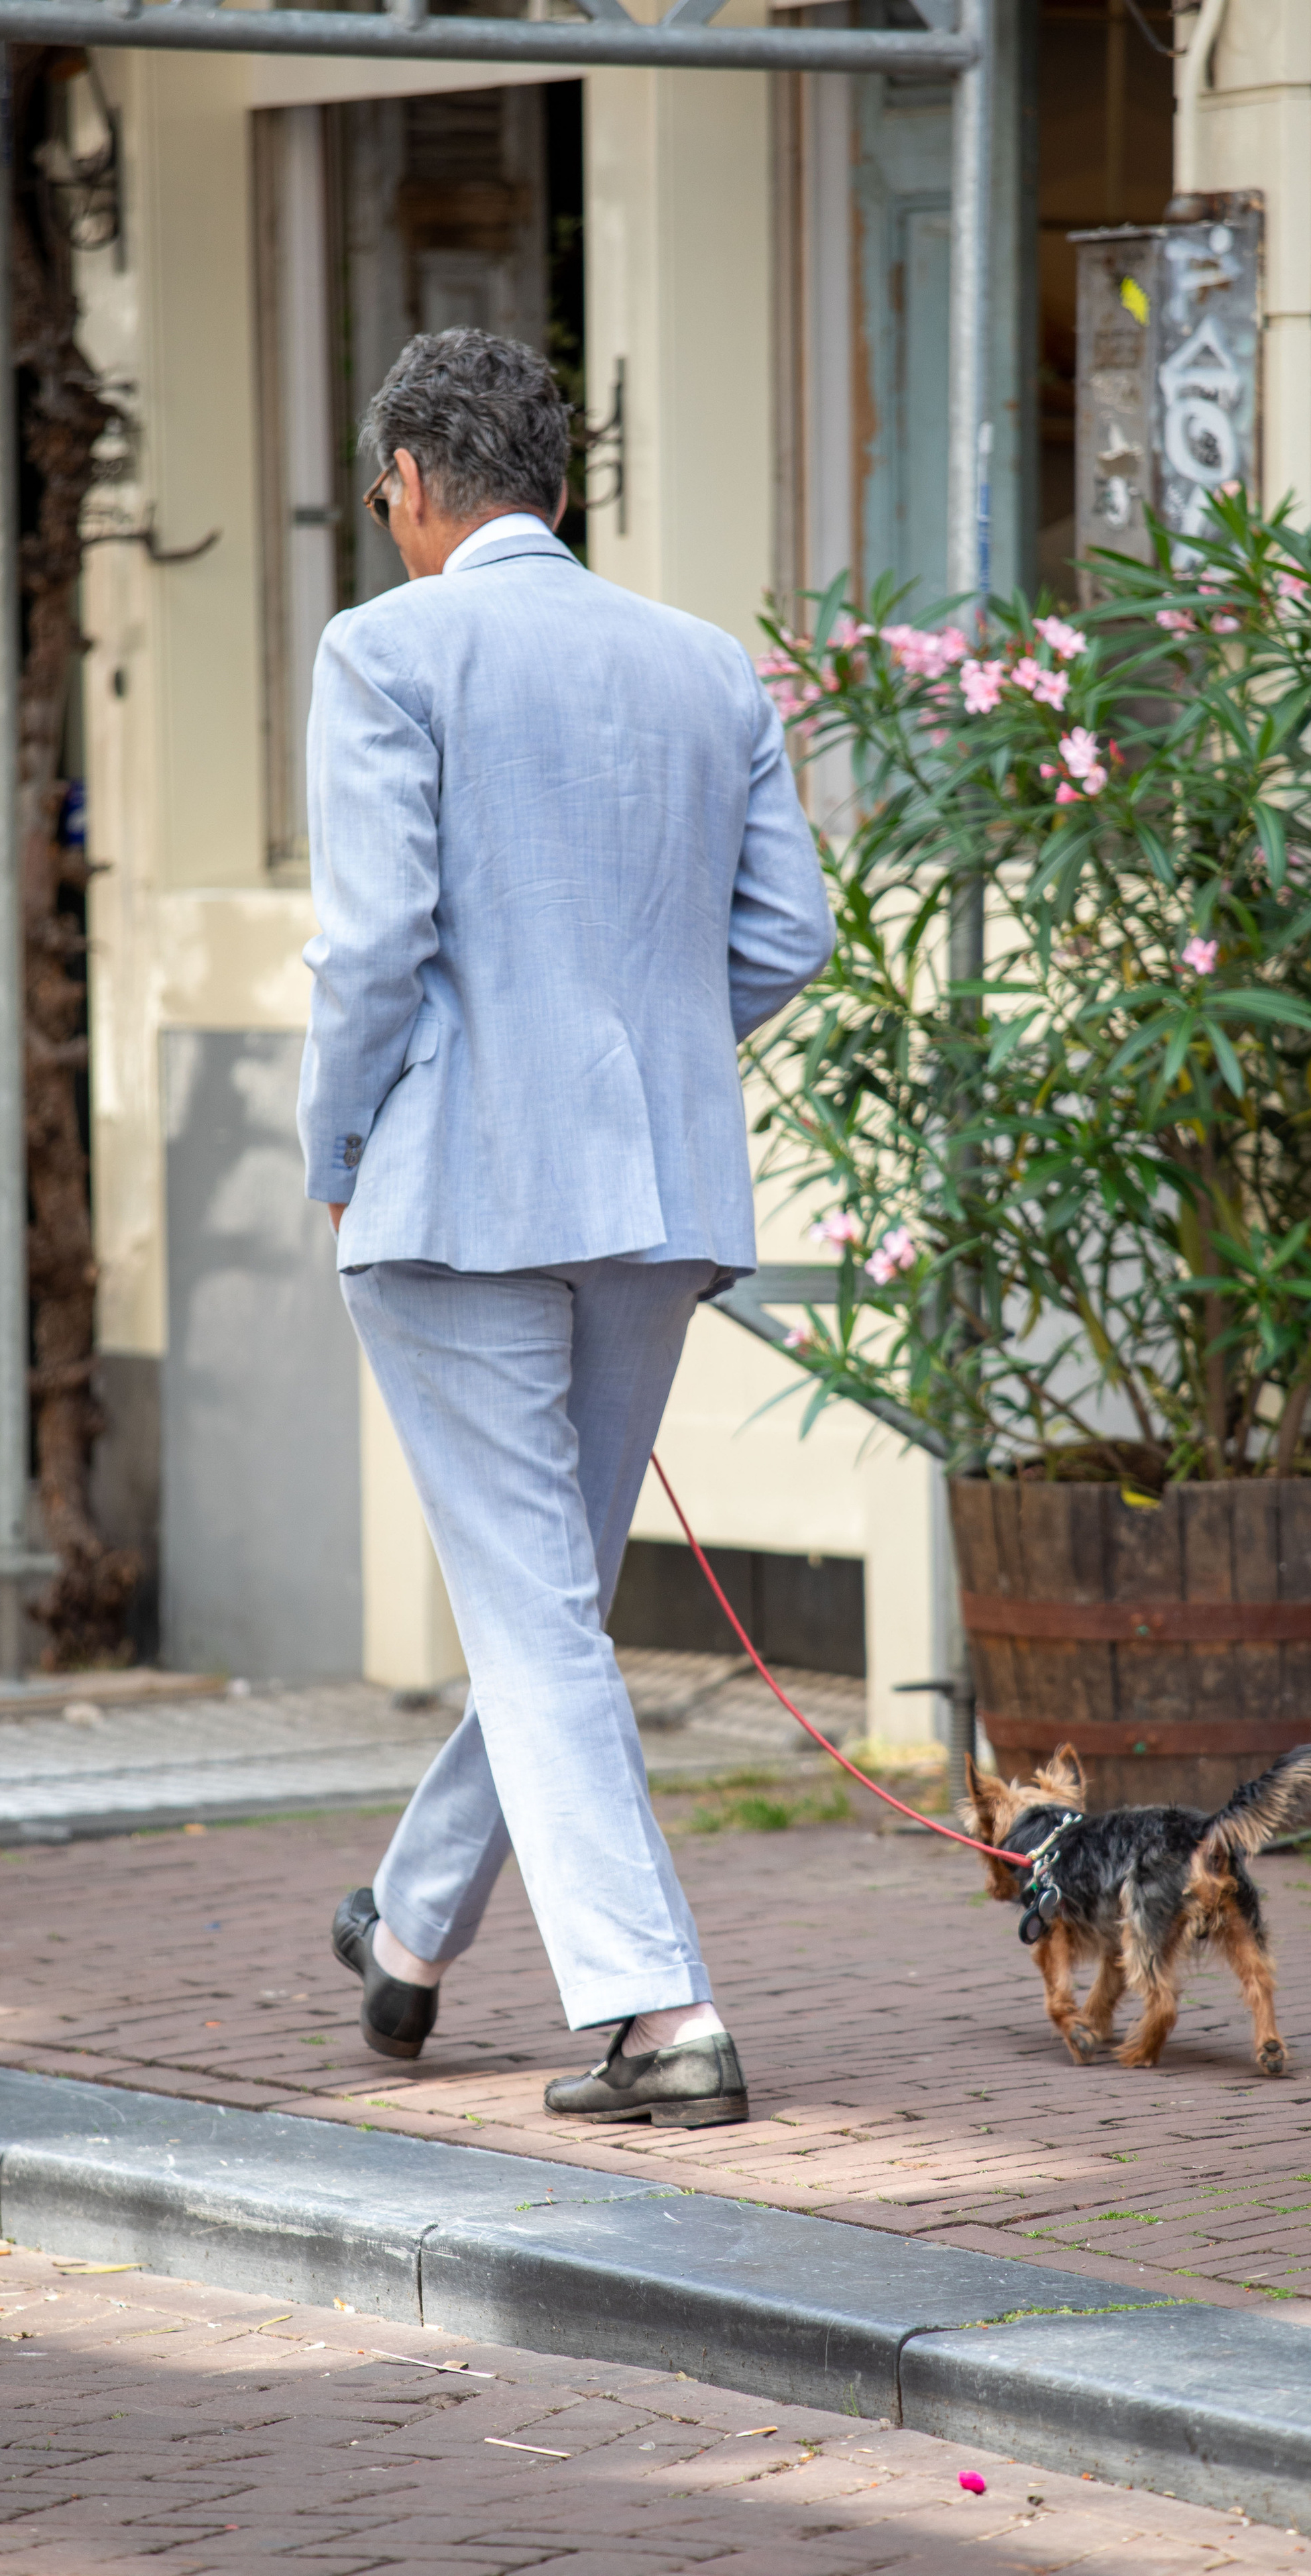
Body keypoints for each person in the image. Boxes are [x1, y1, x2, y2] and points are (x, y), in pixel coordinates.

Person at [298, 328, 832, 2130]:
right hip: (657, 1195)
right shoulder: (702, 666)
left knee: (534, 1617)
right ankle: (416, 1936)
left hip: (455, 1189)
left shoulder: (386, 649)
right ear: (553, 481)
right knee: (557, 1608)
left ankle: (664, 2014)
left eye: (384, 499)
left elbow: (372, 947)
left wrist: (333, 1142)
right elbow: (787, 940)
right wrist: (652, 1062)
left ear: (419, 488)